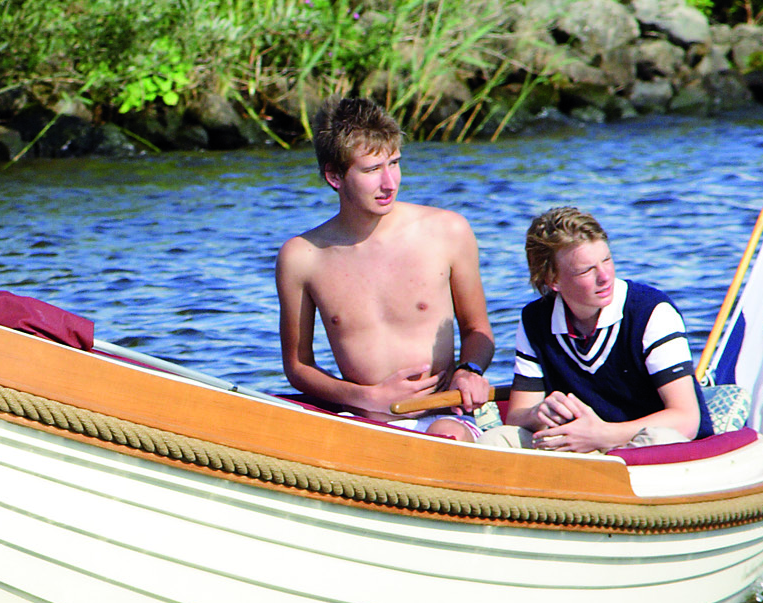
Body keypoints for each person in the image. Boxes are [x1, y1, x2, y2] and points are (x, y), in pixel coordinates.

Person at [275, 97, 493, 441]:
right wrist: (365, 397)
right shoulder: (301, 257)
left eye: (394, 163)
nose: (389, 182)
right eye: (372, 170)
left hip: (443, 415)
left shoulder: (448, 231)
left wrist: (470, 370)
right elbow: (299, 366)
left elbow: (477, 328)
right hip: (362, 420)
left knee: (444, 438)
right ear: (335, 176)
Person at [484, 206, 713, 452]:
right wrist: (537, 414)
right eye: (586, 270)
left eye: (606, 260)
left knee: (662, 439)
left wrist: (603, 435)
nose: (605, 276)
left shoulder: (651, 311)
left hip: (647, 444)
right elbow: (516, 418)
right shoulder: (535, 320)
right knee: (497, 440)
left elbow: (686, 419)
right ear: (553, 281)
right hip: (580, 445)